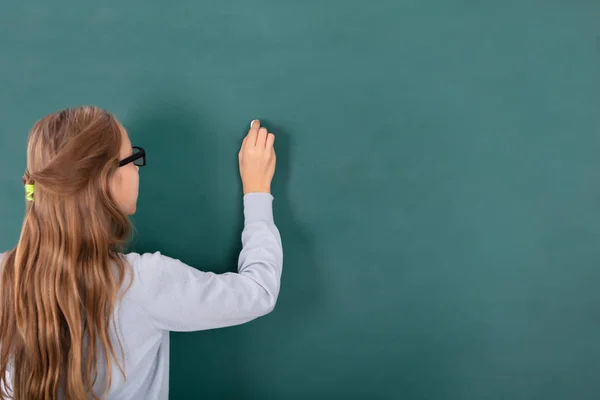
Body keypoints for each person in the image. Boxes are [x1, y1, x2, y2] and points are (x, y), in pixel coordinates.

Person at [0, 106, 282, 400]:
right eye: (132, 159)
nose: (136, 169)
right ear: (106, 178)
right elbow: (258, 291)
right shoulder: (141, 282)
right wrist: (257, 189)